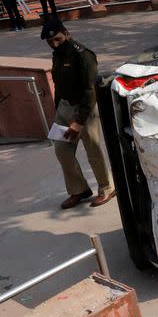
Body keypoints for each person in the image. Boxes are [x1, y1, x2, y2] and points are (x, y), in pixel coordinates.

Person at [41, 18, 115, 210]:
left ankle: (106, 188)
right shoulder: (56, 55)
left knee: (93, 150)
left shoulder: (83, 55)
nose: (54, 44)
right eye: (50, 42)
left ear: (66, 33)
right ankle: (79, 189)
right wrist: (57, 108)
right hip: (64, 108)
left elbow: (90, 90)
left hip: (85, 108)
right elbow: (58, 84)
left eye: (57, 39)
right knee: (61, 150)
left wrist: (79, 121)